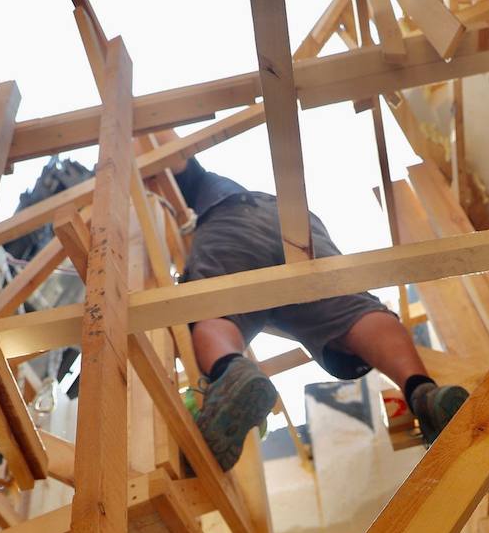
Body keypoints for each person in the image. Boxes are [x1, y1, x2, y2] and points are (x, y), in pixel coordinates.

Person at [173, 157, 469, 469]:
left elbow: (171, 154)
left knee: (211, 309)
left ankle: (228, 370)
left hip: (234, 219)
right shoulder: (238, 191)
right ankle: (422, 391)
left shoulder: (196, 184)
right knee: (353, 313)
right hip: (301, 229)